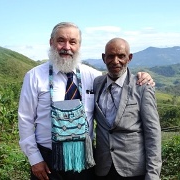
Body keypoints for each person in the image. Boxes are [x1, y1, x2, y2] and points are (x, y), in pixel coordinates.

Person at [18, 22, 154, 180]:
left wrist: (144, 77)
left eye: (73, 42)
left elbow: (119, 79)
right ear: (51, 42)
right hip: (47, 159)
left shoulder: (93, 76)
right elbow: (25, 120)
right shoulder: (34, 76)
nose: (66, 47)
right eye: (61, 40)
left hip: (84, 158)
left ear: (79, 45)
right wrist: (35, 159)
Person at [93, 38, 162, 180]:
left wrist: (153, 174)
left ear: (129, 58)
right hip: (103, 168)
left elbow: (152, 132)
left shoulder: (141, 86)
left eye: (121, 56)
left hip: (133, 169)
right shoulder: (97, 84)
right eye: (111, 56)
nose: (115, 61)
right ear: (104, 58)